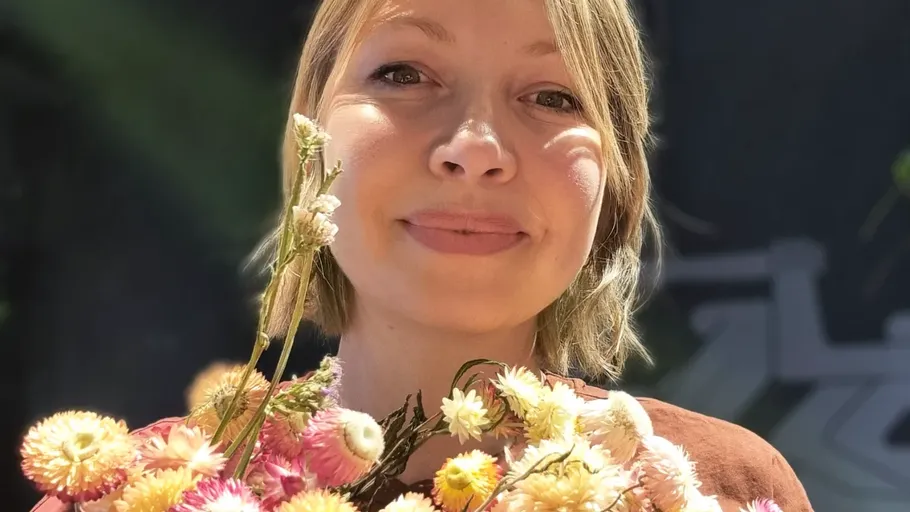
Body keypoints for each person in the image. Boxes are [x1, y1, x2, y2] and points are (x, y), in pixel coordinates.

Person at [31, 0, 814, 510]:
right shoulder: (120, 493)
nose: (474, 151)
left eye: (552, 96)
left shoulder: (729, 490)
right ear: (310, 148)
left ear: (617, 181)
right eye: (403, 74)